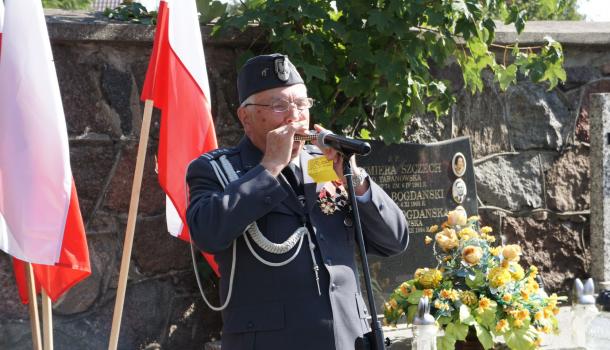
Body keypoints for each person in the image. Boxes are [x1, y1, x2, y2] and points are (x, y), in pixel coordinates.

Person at [186, 53, 409, 350]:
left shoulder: (330, 163)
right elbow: (207, 233)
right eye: (279, 106)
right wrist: (269, 167)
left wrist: (354, 180)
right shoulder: (217, 170)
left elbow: (394, 240)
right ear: (245, 117)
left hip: (347, 339)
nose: (295, 117)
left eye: (302, 104)